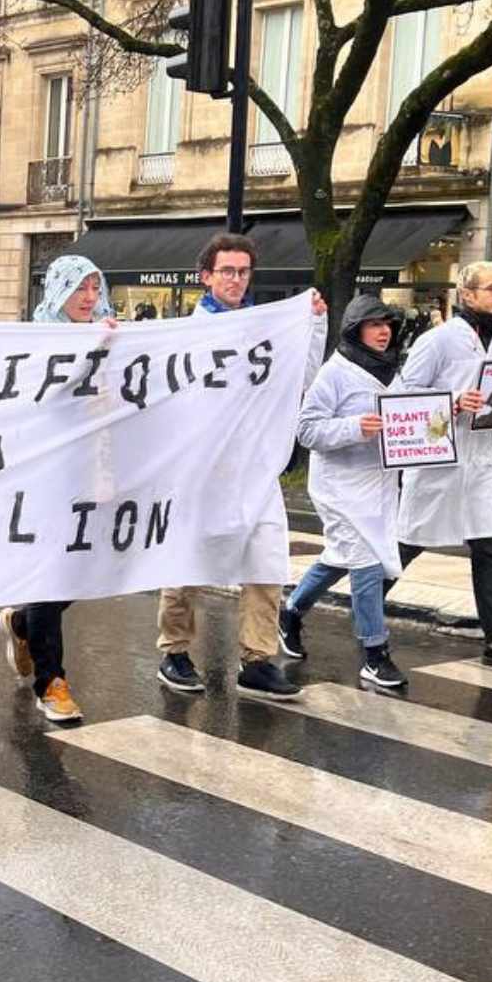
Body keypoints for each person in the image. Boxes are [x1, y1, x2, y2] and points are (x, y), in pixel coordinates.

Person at [153, 233, 326, 702]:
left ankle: (257, 659)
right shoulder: (183, 334)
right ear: (206, 276)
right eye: (227, 271)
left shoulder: (262, 329)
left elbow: (301, 378)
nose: (236, 279)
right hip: (201, 471)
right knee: (186, 562)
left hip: (255, 468)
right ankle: (175, 650)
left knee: (266, 564)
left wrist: (312, 326)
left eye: (244, 271)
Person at [393, 261, 492, 672]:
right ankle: (365, 611)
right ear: (468, 294)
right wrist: (454, 401)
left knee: (488, 544)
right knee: (408, 543)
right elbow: (404, 394)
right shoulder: (437, 340)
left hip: (479, 460)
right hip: (438, 460)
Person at [0, 255, 118, 725]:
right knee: (54, 575)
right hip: (45, 477)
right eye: (78, 290)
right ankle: (52, 683)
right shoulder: (38, 338)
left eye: (94, 287)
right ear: (58, 292)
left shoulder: (105, 334)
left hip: (89, 472)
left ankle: (23, 622)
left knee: (84, 570)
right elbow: (44, 393)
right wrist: (94, 351)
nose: (88, 299)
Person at [280, 294, 410, 689]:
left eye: (387, 324)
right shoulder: (333, 374)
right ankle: (375, 652)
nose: (383, 331)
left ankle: (291, 611)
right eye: (374, 325)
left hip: (379, 487)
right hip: (339, 488)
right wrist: (355, 427)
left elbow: (410, 418)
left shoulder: (393, 372)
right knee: (366, 563)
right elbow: (307, 429)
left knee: (340, 558)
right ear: (356, 330)